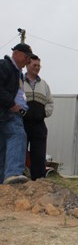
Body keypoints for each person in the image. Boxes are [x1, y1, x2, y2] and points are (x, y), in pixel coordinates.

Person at [0, 43, 33, 184]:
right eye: (26, 57)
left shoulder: (17, 73)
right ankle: (13, 174)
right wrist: (12, 104)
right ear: (17, 53)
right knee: (18, 135)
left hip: (10, 113)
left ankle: (3, 182)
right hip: (8, 112)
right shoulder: (5, 66)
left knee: (3, 147)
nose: (28, 61)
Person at [23, 54, 54, 180]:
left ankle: (39, 181)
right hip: (22, 123)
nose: (37, 68)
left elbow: (50, 102)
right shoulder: (19, 81)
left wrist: (44, 113)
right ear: (27, 65)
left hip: (39, 125)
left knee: (39, 155)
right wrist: (22, 113)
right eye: (34, 65)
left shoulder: (44, 85)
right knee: (19, 153)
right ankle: (19, 179)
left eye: (38, 65)